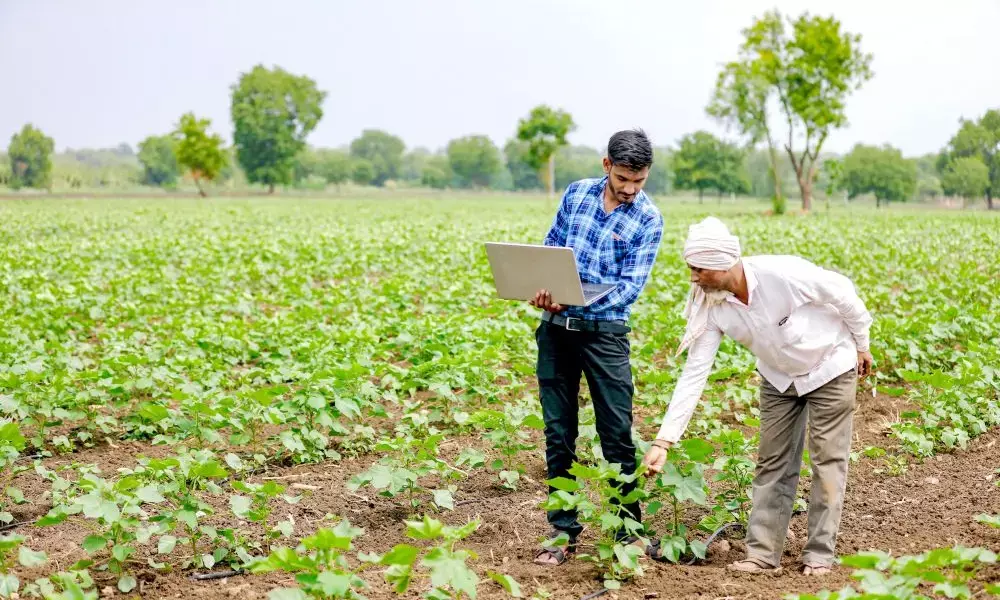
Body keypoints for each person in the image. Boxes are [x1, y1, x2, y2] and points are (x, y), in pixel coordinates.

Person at [641, 216, 874, 576]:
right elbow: (694, 373)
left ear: (723, 264)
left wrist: (862, 345)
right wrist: (664, 440)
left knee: (828, 461)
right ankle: (762, 554)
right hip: (779, 378)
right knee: (772, 464)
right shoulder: (712, 304)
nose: (693, 277)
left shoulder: (782, 274)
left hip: (830, 365)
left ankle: (819, 554)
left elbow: (843, 295)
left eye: (698, 269)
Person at [529, 129, 664, 566]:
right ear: (607, 165)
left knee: (616, 433)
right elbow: (552, 246)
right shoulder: (577, 194)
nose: (629, 189)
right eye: (623, 178)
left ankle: (628, 530)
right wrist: (543, 289)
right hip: (555, 329)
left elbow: (629, 288)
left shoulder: (648, 219)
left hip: (605, 336)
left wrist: (579, 298)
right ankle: (562, 531)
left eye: (638, 181)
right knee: (558, 433)